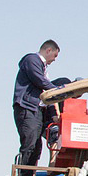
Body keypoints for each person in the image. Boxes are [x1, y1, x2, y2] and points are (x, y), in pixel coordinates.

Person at [13, 40, 61, 168]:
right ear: (48, 50)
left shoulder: (43, 68)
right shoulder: (32, 60)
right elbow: (41, 81)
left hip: (37, 110)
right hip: (27, 107)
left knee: (36, 145)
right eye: (55, 56)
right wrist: (59, 90)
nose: (55, 60)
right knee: (30, 143)